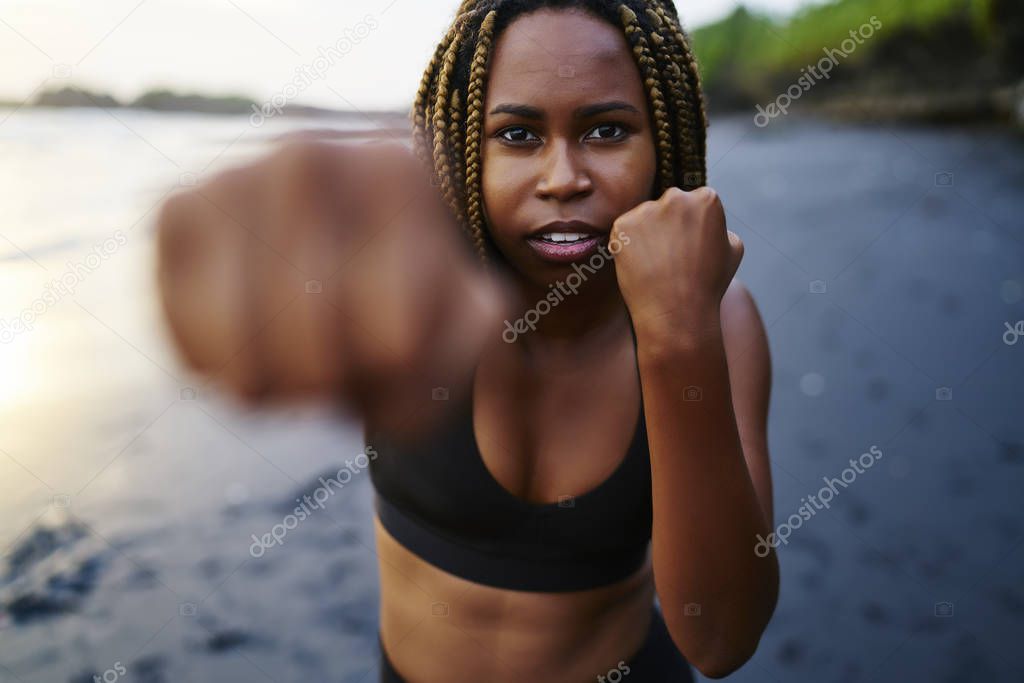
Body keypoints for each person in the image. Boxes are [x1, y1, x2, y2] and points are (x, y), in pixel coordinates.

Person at [155, 1, 779, 681]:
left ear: (664, 141)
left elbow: (721, 636)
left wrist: (676, 338)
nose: (563, 177)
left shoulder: (716, 320)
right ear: (463, 148)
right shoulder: (418, 283)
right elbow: (310, 229)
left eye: (606, 130)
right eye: (517, 134)